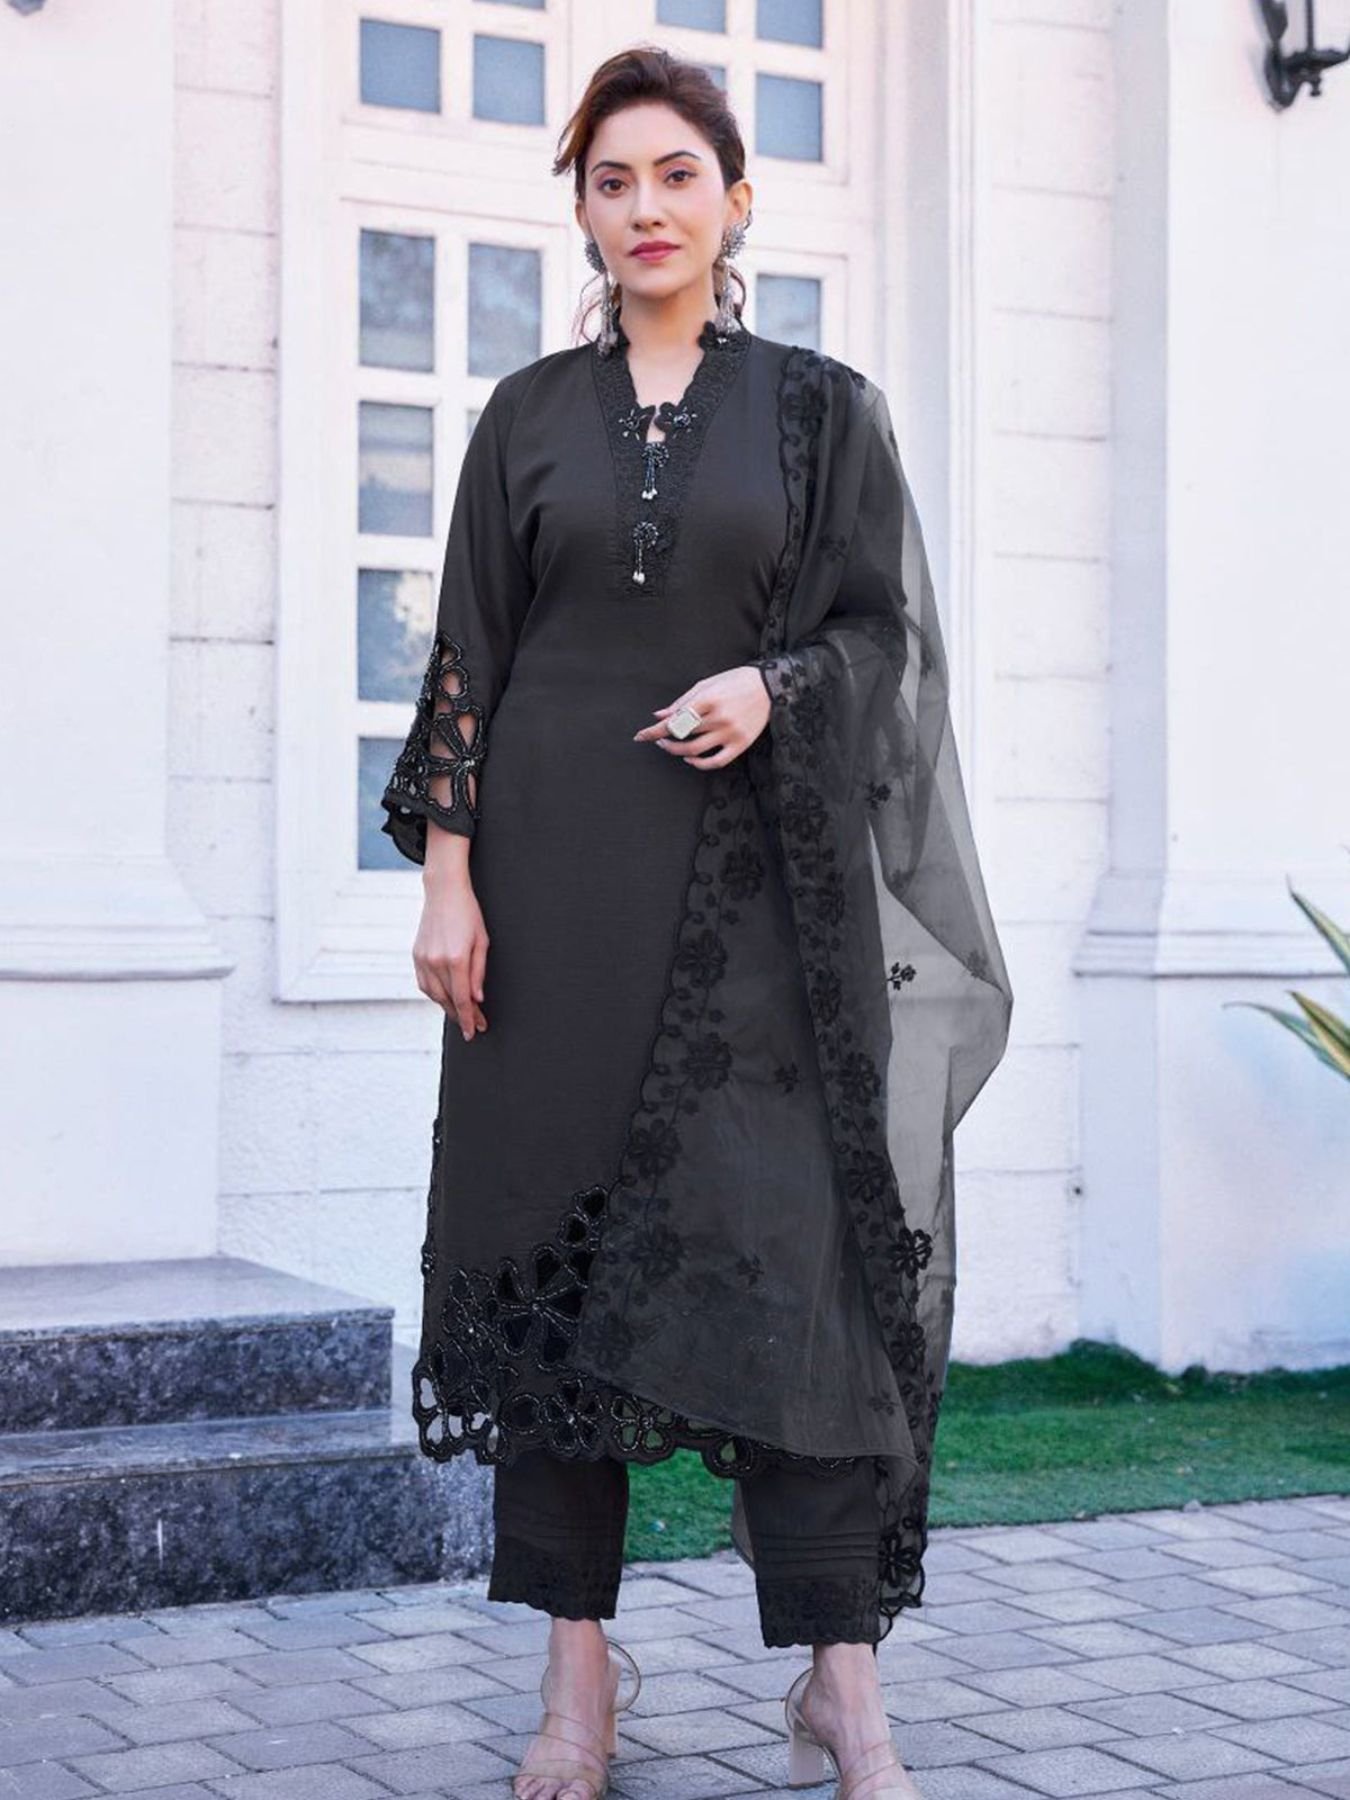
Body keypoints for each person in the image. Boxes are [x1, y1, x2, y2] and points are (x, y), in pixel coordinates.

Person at [380, 44, 1012, 1800]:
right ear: (581, 212)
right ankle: (576, 1686)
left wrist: (771, 684)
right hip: (547, 908)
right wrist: (448, 880)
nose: (643, 208)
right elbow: (468, 659)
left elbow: (884, 643)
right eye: (610, 181)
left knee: (794, 1281)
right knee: (545, 1271)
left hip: (759, 929)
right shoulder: (524, 417)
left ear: (736, 200)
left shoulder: (820, 411)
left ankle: (842, 1693)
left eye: (675, 176)